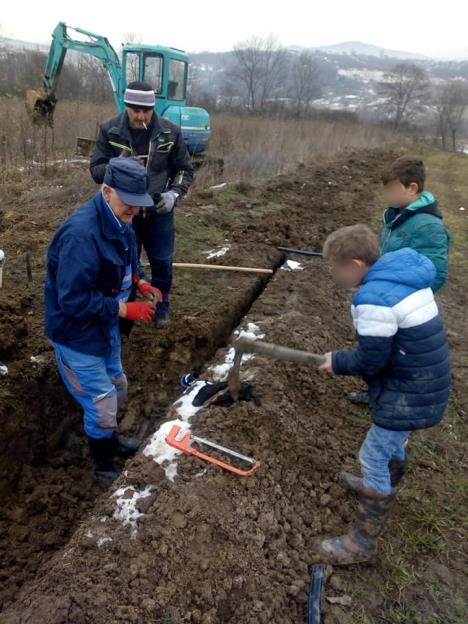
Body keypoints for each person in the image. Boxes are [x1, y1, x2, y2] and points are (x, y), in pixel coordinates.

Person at [313, 224, 451, 565]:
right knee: (392, 443)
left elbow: (372, 360)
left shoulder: (374, 298)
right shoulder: (401, 277)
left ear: (356, 265)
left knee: (373, 454)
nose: (336, 275)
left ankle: (362, 542)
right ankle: (383, 483)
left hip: (409, 390)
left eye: (337, 268)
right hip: (422, 379)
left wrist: (338, 361)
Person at [45, 158, 163, 487]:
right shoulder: (80, 236)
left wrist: (140, 284)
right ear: (107, 190)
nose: (136, 212)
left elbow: (126, 259)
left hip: (103, 326)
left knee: (118, 385)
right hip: (77, 335)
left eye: (140, 205)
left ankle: (110, 439)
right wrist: (126, 310)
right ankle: (103, 465)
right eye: (130, 204)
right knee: (101, 402)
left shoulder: (120, 219)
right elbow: (72, 300)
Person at [90, 81, 194, 328]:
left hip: (159, 211)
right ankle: (125, 312)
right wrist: (119, 163)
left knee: (162, 262)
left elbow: (184, 170)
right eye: (135, 110)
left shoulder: (170, 132)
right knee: (123, 263)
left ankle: (162, 306)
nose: (140, 116)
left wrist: (174, 194)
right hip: (124, 213)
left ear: (152, 108)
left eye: (145, 111)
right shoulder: (110, 130)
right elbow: (95, 170)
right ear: (126, 106)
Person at [350, 155, 450, 405]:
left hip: (399, 306)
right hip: (387, 298)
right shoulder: (396, 216)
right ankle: (378, 391)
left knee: (394, 354)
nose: (387, 195)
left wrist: (398, 298)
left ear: (412, 188)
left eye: (392, 189)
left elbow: (437, 274)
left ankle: (391, 397)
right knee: (380, 348)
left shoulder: (428, 227)